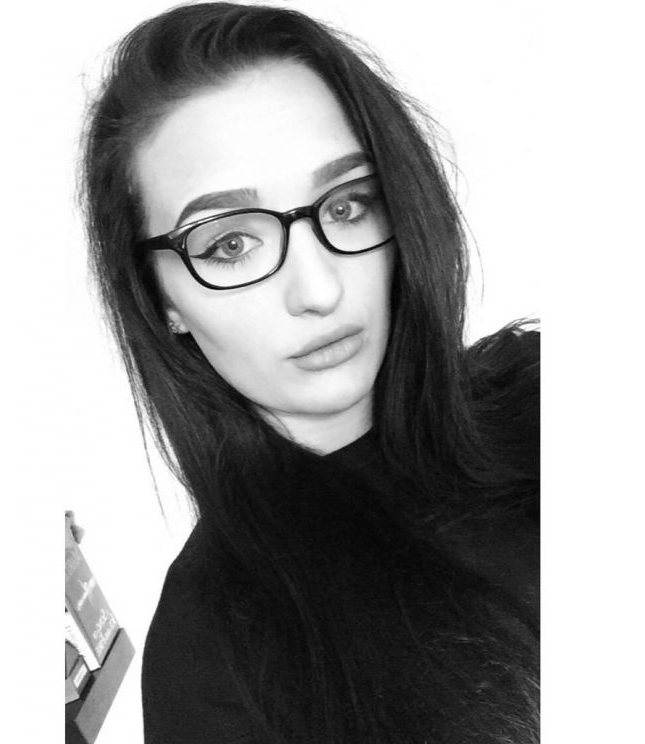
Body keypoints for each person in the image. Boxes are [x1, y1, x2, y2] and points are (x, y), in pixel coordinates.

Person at [80, 2, 540, 742]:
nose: (319, 289)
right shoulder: (214, 656)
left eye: (349, 204)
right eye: (230, 244)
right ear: (160, 299)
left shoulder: (541, 393)